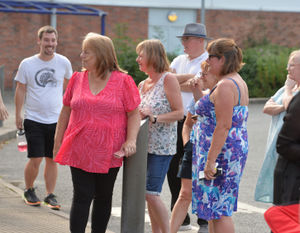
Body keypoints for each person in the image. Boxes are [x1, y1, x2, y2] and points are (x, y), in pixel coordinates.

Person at [53, 32, 141, 233]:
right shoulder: (77, 78)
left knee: (103, 196)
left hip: (110, 150)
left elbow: (134, 113)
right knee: (82, 195)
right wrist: (58, 141)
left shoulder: (123, 81)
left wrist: (131, 140)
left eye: (87, 53)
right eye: (82, 52)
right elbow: (66, 110)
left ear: (102, 55)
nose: (82, 56)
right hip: (79, 147)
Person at [192, 38, 249, 233]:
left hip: (223, 154)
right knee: (215, 209)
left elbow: (223, 126)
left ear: (222, 59)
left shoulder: (226, 85)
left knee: (219, 208)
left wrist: (210, 161)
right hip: (230, 150)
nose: (207, 61)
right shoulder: (236, 81)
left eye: (211, 57)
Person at [14, 25, 73, 209]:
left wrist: (69, 113)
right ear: (39, 41)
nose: (50, 44)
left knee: (52, 158)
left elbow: (70, 87)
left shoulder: (63, 62)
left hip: (56, 119)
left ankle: (49, 195)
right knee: (36, 158)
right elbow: (20, 89)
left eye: (53, 40)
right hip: (33, 118)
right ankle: (29, 190)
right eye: (46, 40)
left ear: (57, 41)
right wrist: (18, 114)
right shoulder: (27, 64)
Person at [136, 39, 184, 233]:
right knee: (148, 195)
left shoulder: (168, 79)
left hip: (161, 147)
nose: (137, 59)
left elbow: (180, 113)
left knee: (151, 193)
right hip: (142, 146)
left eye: (141, 55)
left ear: (152, 56)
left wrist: (155, 118)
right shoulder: (142, 84)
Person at [167, 22, 210, 232]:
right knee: (174, 169)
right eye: (183, 39)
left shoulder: (208, 61)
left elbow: (202, 87)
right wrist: (186, 83)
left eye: (187, 39)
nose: (183, 43)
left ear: (200, 41)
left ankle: (203, 218)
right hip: (177, 119)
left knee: (199, 170)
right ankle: (181, 217)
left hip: (198, 121)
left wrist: (176, 82)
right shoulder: (178, 59)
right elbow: (166, 81)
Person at [170, 62, 218, 233]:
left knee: (210, 194)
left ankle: (205, 226)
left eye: (206, 73)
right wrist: (187, 144)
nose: (202, 76)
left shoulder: (221, 95)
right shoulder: (197, 98)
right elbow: (187, 124)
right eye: (201, 73)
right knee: (184, 194)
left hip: (213, 152)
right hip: (193, 149)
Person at [255, 56, 299, 203]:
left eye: (291, 65)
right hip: (277, 142)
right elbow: (267, 108)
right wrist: (282, 106)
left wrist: (288, 90)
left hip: (291, 146)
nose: (287, 69)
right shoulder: (285, 89)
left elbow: (291, 105)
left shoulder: (288, 89)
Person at [274, 50, 300, 209]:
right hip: (293, 180)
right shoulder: (297, 100)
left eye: (291, 65)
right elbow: (283, 144)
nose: (287, 69)